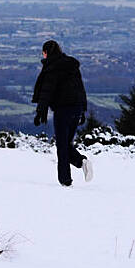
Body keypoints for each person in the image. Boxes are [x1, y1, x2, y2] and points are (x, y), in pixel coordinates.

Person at [32, 40, 93, 186]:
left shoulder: (52, 68)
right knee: (66, 144)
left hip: (63, 110)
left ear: (46, 52)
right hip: (76, 108)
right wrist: (83, 110)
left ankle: (65, 180)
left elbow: (47, 91)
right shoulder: (71, 65)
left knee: (62, 145)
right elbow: (80, 88)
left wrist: (40, 111)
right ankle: (81, 162)